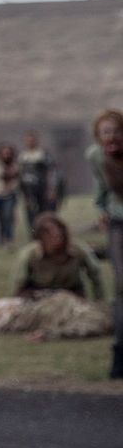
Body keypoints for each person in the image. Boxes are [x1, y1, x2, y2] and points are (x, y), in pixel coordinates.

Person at [87, 108, 123, 379]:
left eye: (116, 131)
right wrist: (102, 210)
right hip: (118, 224)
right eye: (105, 132)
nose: (112, 137)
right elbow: (101, 192)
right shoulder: (97, 157)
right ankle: (120, 351)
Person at [10, 213, 103, 300]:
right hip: (38, 295)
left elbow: (95, 273)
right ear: (40, 238)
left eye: (58, 235)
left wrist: (99, 300)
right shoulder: (30, 254)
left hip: (71, 295)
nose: (55, 240)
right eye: (48, 236)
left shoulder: (78, 250)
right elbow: (19, 284)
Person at [18, 129, 59, 235]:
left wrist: (51, 189)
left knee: (45, 214)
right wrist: (23, 194)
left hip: (43, 188)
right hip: (29, 191)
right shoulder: (22, 156)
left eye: (32, 140)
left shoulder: (43, 154)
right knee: (31, 214)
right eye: (28, 140)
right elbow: (20, 176)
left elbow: (52, 171)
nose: (30, 142)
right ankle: (34, 235)